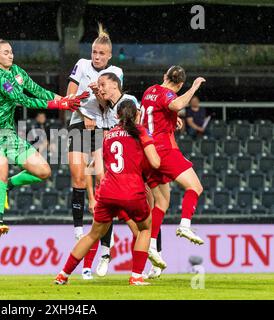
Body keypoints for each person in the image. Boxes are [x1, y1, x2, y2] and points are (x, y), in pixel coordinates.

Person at [0, 34, 88, 238]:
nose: (11, 55)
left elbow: (36, 90)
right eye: (5, 52)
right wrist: (58, 105)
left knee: (44, 171)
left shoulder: (17, 71)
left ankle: (7, 186)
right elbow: (23, 100)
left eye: (11, 51)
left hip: (8, 134)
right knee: (1, 171)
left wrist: (63, 100)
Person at [54, 99, 160, 286]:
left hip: (108, 191)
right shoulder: (140, 132)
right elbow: (156, 162)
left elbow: (95, 167)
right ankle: (136, 276)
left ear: (117, 115)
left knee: (92, 235)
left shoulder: (108, 135)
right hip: (132, 191)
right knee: (145, 229)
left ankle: (63, 275)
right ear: (137, 115)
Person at [66, 24, 123, 280]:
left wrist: (99, 97)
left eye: (101, 53)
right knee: (78, 177)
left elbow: (112, 102)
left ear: (109, 55)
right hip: (80, 123)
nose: (96, 56)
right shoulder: (81, 65)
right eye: (94, 51)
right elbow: (68, 98)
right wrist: (83, 114)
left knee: (104, 185)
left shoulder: (115, 72)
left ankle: (104, 250)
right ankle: (79, 230)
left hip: (104, 127)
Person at [140, 66, 206, 269]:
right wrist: (193, 88)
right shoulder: (168, 94)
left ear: (164, 77)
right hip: (164, 150)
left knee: (161, 202)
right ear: (179, 84)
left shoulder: (149, 91)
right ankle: (185, 225)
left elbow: (151, 116)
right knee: (195, 187)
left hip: (146, 152)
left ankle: (151, 245)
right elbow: (176, 102)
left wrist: (171, 119)